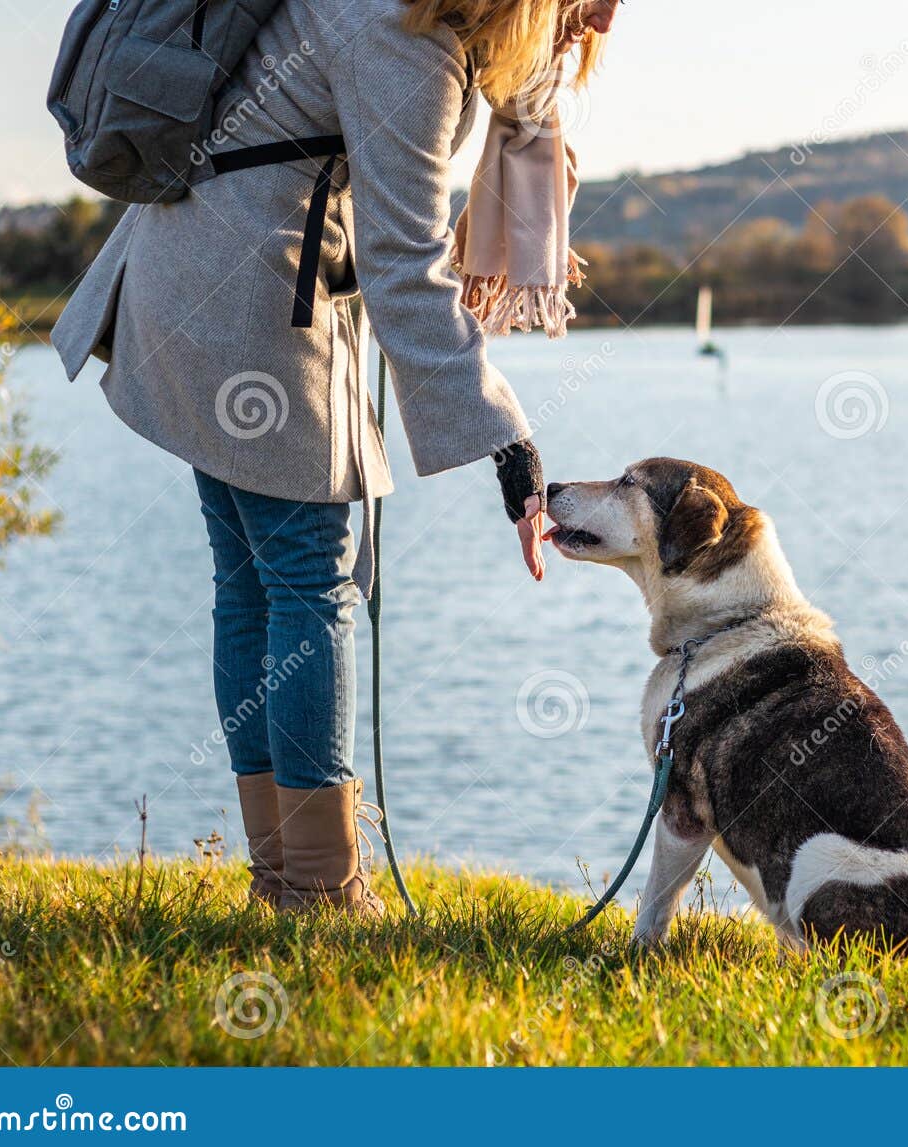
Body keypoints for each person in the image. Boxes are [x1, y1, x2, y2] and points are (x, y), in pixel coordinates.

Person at [52, 0, 620, 915]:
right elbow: (405, 263)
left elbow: (495, 115)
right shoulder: (409, 45)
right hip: (247, 304)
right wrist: (511, 443)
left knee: (250, 581)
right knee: (312, 581)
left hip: (185, 271)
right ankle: (319, 893)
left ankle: (282, 880)